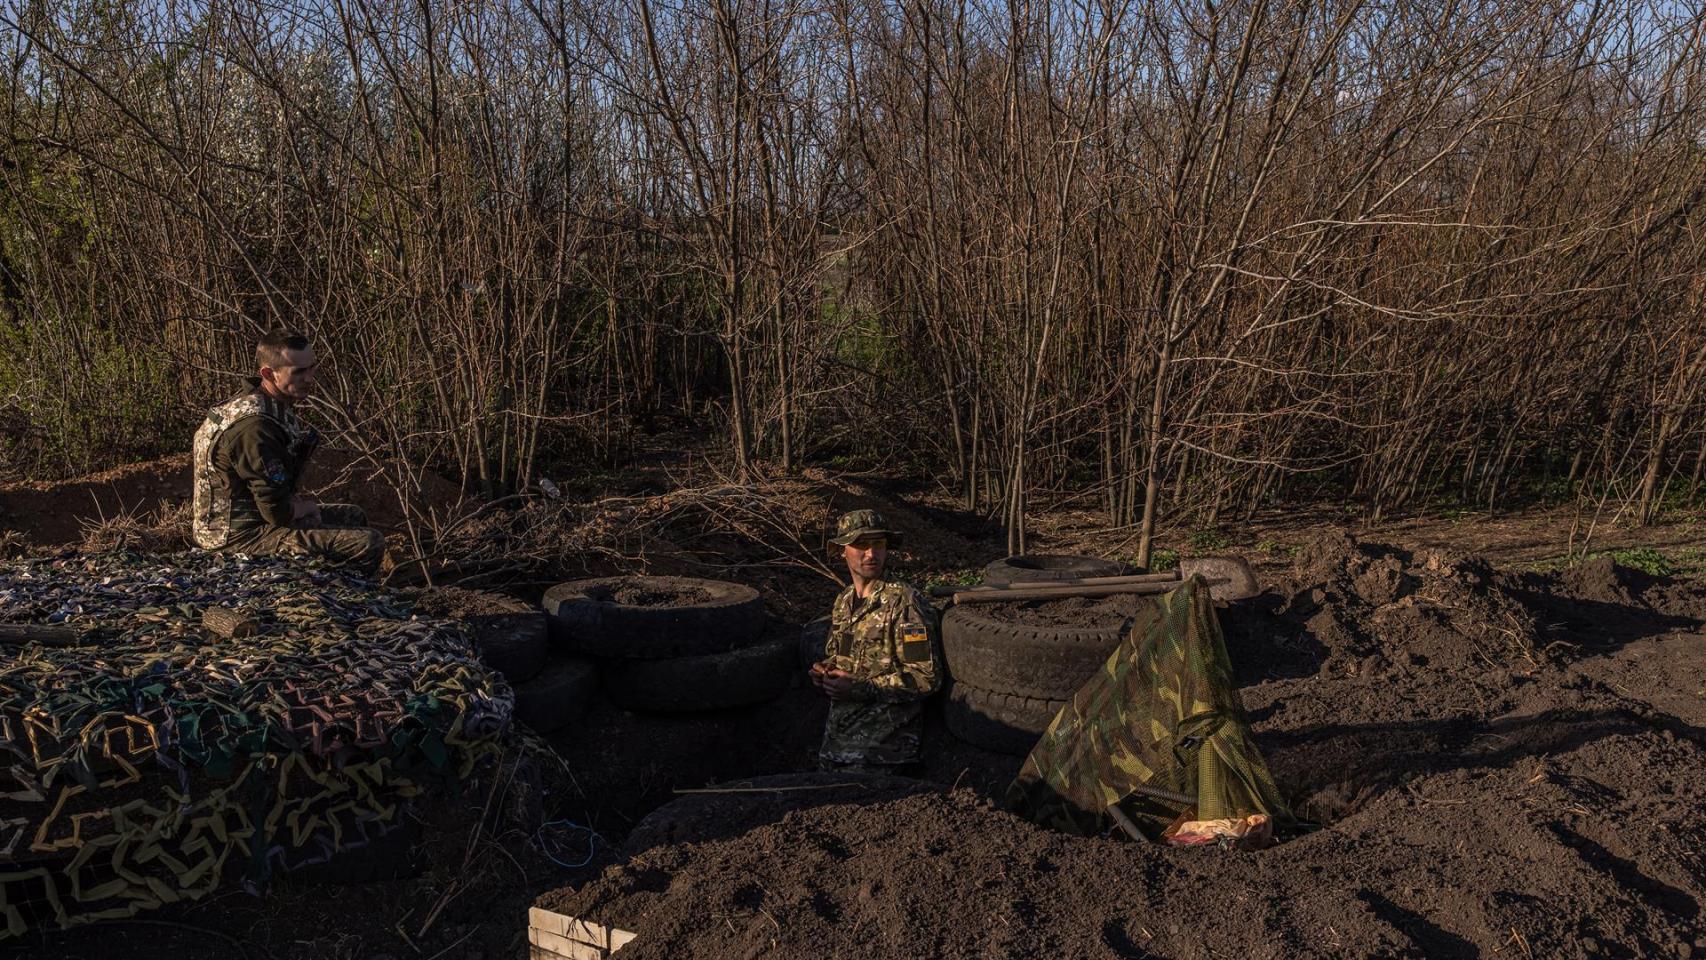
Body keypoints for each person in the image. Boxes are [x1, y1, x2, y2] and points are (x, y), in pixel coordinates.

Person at [190, 332, 385, 575]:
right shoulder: (255, 427)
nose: (309, 378)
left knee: (353, 516)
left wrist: (299, 506)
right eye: (298, 372)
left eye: (311, 368)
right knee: (368, 543)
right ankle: (344, 591)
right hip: (236, 537)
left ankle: (334, 578)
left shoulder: (264, 403)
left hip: (257, 520)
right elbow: (277, 512)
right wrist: (303, 509)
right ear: (268, 374)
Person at [810, 509, 942, 772]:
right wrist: (824, 671)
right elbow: (842, 656)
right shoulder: (844, 602)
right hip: (838, 747)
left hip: (883, 756)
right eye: (861, 544)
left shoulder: (903, 602)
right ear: (842, 550)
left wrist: (859, 687)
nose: (871, 553)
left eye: (878, 544)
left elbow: (925, 678)